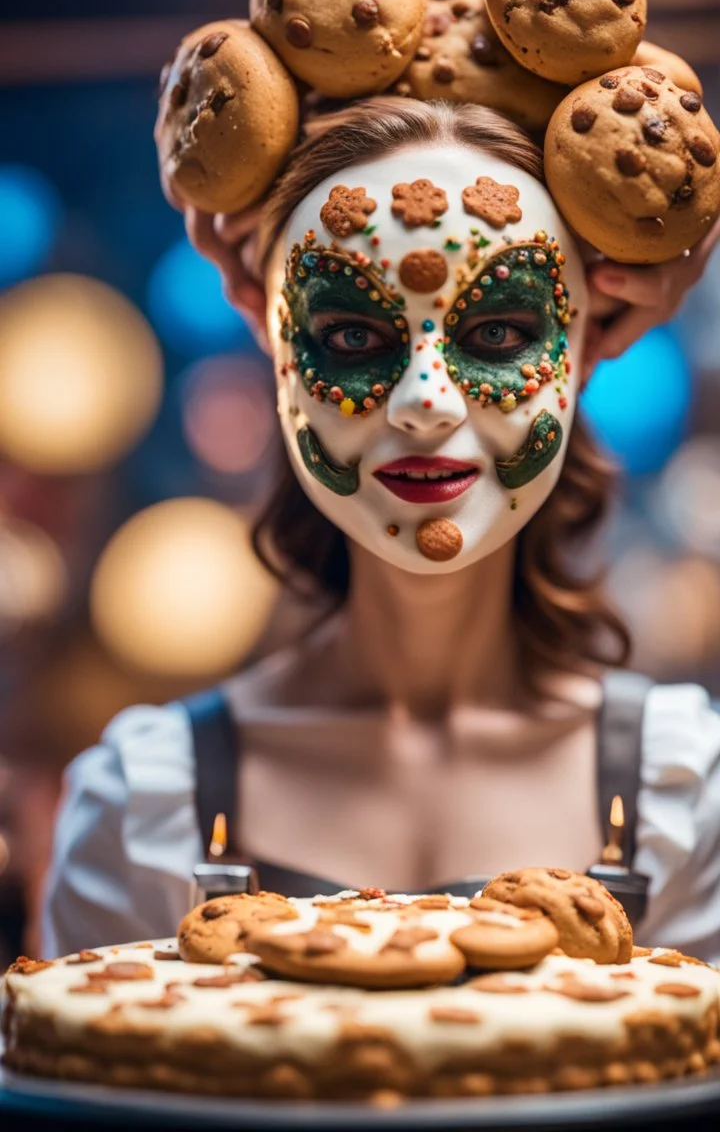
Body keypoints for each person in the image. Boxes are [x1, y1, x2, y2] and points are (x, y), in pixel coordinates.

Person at [43, 98, 720, 961]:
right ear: (280, 356)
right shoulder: (139, 806)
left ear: (587, 346)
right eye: (354, 334)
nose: (426, 404)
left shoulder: (687, 791)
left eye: (499, 330)